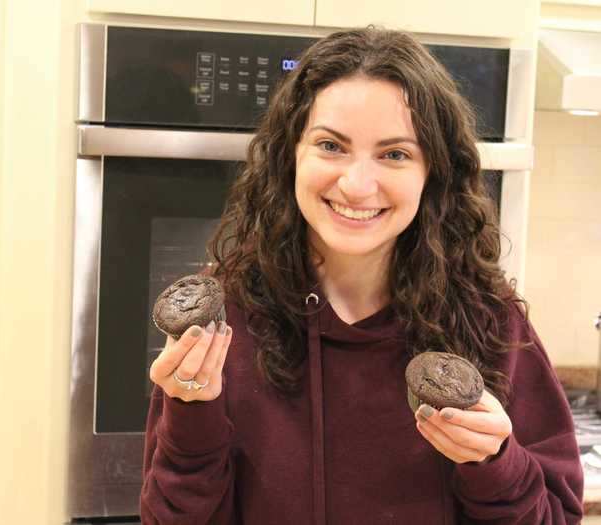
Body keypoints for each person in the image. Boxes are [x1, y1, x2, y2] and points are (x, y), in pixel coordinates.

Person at [140, 27, 584, 524]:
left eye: (395, 154)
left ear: (431, 173)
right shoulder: (225, 324)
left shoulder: (491, 322)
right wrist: (191, 416)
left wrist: (496, 465)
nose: (356, 185)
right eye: (331, 146)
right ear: (291, 156)